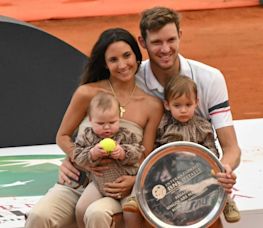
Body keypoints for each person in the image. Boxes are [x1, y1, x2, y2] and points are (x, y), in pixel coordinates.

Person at [25, 27, 163, 228]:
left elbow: (146, 154)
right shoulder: (87, 93)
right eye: (113, 60)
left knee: (96, 214)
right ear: (105, 64)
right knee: (39, 216)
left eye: (127, 56)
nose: (122, 65)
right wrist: (79, 158)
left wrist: (133, 181)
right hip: (77, 183)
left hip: (114, 187)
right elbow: (62, 136)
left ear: (137, 55)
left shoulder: (152, 105)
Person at [131, 6, 242, 226]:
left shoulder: (211, 79)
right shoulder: (132, 81)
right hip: (154, 181)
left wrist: (224, 170)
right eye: (156, 42)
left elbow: (231, 148)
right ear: (142, 42)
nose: (165, 49)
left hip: (200, 178)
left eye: (171, 40)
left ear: (180, 36)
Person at [124, 76, 240, 223]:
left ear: (196, 103)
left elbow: (211, 151)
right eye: (177, 106)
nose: (183, 110)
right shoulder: (162, 124)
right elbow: (154, 148)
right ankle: (136, 197)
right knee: (148, 172)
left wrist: (211, 167)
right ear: (167, 105)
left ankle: (227, 203)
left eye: (188, 104)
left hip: (194, 169)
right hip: (168, 169)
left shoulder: (202, 126)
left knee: (218, 175)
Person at [73, 92, 145, 228]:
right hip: (99, 183)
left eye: (112, 122)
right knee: (81, 208)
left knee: (131, 212)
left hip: (127, 184)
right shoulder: (87, 136)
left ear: (119, 117)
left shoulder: (125, 135)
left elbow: (138, 152)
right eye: (100, 123)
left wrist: (123, 153)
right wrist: (92, 153)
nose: (107, 127)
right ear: (90, 119)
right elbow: (77, 157)